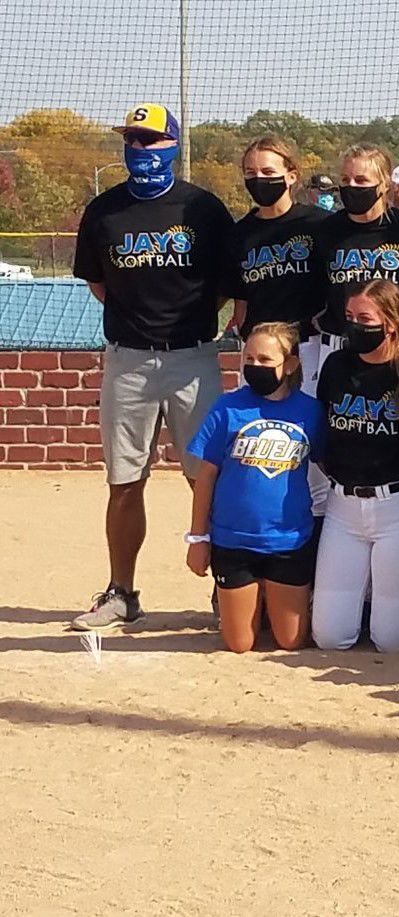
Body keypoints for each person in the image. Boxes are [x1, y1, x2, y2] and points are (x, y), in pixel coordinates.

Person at [69, 103, 234, 631]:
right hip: (129, 360)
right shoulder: (104, 212)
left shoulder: (203, 209)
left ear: (173, 146)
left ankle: (225, 587)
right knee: (124, 479)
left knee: (207, 475)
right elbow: (99, 283)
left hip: (193, 358)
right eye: (132, 141)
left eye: (151, 141)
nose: (139, 150)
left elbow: (231, 284)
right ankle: (121, 593)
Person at [312, 279, 399, 652]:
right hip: (344, 504)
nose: (354, 325)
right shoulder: (337, 365)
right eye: (349, 316)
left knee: (393, 641)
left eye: (364, 318)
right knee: (331, 637)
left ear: (391, 322)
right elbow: (324, 424)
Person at [184, 321, 325, 653]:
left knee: (290, 641)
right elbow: (205, 476)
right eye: (249, 359)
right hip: (233, 541)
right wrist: (197, 538)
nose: (255, 367)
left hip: (288, 540)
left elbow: (328, 464)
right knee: (240, 644)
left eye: (265, 360)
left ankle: (269, 600)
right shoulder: (227, 408)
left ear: (289, 364)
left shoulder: (310, 412)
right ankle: (246, 599)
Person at [313, 144, 399, 378]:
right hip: (339, 346)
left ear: (385, 184)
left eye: (361, 180)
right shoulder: (326, 231)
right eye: (346, 179)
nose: (351, 186)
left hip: (394, 345)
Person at [230, 135, 330, 389]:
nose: (259, 179)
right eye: (250, 172)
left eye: (268, 171)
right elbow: (240, 297)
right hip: (259, 349)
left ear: (291, 175)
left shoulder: (319, 223)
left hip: (308, 346)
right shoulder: (240, 233)